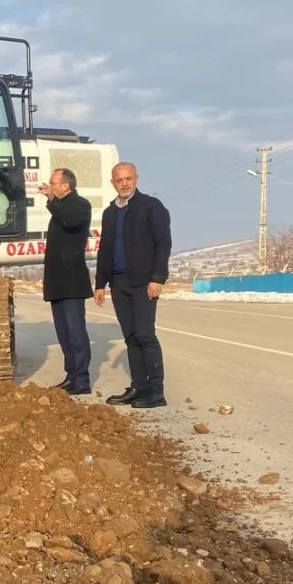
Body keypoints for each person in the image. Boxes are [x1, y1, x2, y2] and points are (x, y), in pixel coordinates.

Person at [94, 161, 171, 408]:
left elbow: (163, 243)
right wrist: (100, 283)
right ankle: (139, 387)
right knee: (130, 337)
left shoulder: (151, 206)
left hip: (143, 282)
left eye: (128, 178)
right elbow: (104, 249)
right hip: (119, 283)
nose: (124, 183)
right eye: (119, 179)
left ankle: (156, 392)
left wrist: (157, 278)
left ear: (136, 178)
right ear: (112, 183)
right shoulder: (110, 213)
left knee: (145, 334)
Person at [37, 168, 94, 394]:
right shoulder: (59, 208)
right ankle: (71, 375)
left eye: (53, 183)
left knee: (75, 331)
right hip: (57, 282)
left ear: (65, 185)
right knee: (63, 332)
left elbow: (69, 220)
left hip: (72, 281)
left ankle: (82, 379)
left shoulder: (80, 205)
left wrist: (51, 201)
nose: (50, 186)